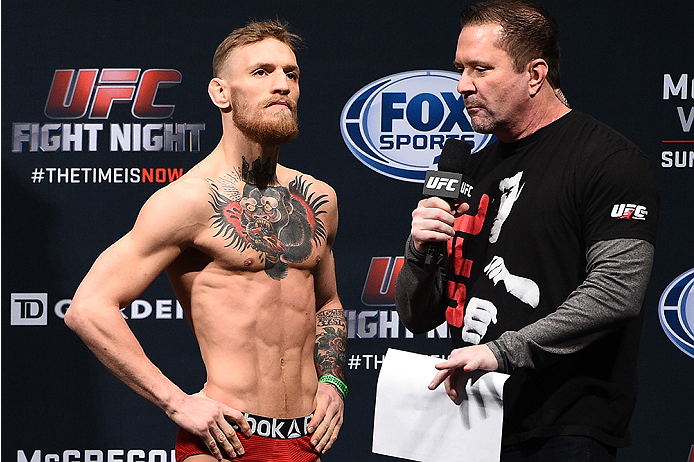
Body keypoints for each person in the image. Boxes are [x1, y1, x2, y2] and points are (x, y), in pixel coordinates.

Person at [65, 19, 347, 462]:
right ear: (221, 93)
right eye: (261, 73)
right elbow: (88, 308)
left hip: (307, 440)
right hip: (226, 440)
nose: (282, 86)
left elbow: (327, 301)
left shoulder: (319, 198)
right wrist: (176, 402)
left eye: (290, 74)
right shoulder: (188, 200)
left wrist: (333, 381)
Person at [394, 1, 658, 461]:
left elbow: (616, 292)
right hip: (468, 422)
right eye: (460, 69)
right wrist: (420, 252)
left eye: (481, 69)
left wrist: (501, 352)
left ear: (534, 74)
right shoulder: (470, 172)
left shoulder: (607, 162)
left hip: (562, 428)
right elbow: (418, 316)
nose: (462, 86)